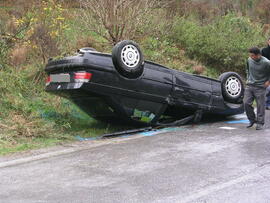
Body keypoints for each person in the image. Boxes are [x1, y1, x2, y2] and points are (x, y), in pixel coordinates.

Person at [244, 47, 270, 130]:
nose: (251, 57)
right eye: (250, 55)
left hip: (261, 87)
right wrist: (248, 78)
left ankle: (260, 123)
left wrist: (268, 81)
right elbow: (247, 69)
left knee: (260, 106)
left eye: (252, 55)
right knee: (246, 103)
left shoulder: (266, 62)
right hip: (250, 85)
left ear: (258, 55)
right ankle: (252, 120)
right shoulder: (249, 60)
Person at [261, 38, 270, 110]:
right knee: (267, 89)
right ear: (268, 41)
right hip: (266, 71)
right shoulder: (263, 50)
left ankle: (268, 103)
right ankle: (266, 103)